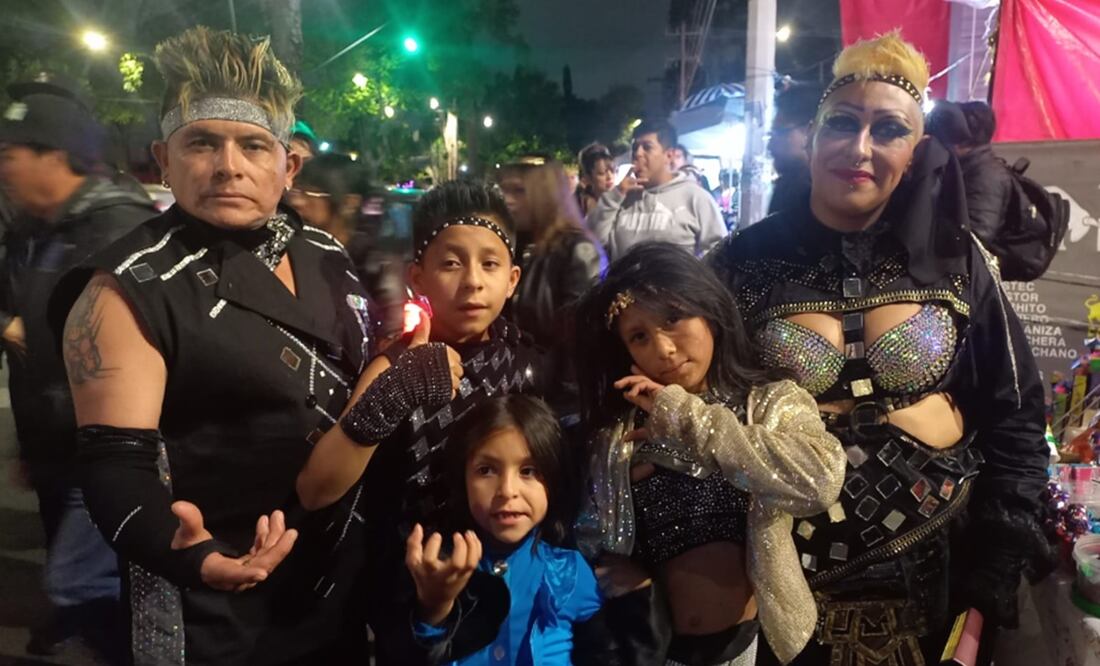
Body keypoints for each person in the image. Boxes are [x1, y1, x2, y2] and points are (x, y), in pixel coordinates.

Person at [708, 33, 1051, 665]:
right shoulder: (740, 263)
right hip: (786, 580)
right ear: (811, 137)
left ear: (915, 154)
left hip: (939, 572)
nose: (859, 148)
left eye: (888, 130)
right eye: (842, 123)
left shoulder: (957, 257)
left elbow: (1017, 413)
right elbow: (690, 403)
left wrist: (992, 577)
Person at [48, 27, 377, 664]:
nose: (229, 165)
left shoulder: (327, 254)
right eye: (202, 143)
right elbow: (115, 468)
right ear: (162, 160)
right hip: (217, 615)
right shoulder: (127, 287)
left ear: (290, 166)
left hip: (339, 594)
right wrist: (193, 555)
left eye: (254, 145)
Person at [296, 179, 545, 664]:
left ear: (513, 279)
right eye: (451, 263)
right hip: (413, 590)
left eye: (489, 264)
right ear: (418, 277)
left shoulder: (528, 364)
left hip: (514, 588)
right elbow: (316, 489)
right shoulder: (396, 364)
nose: (473, 280)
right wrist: (400, 389)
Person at [573, 243, 846, 665]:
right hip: (649, 648)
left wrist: (687, 419)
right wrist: (624, 577)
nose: (663, 349)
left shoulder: (770, 404)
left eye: (673, 318)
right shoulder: (618, 435)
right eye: (639, 336)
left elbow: (819, 482)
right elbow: (589, 537)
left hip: (751, 649)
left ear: (711, 312)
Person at [0, 77, 156, 661]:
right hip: (63, 450)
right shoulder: (39, 231)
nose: (5, 169)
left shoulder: (113, 229)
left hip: (105, 451)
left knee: (79, 581)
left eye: (13, 155)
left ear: (54, 156)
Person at [400, 395, 603, 664]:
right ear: (463, 480)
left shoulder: (569, 573)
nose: (507, 491)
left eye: (529, 471)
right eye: (486, 470)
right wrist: (434, 607)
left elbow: (603, 652)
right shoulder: (439, 569)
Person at [497, 155, 606, 420]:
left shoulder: (577, 252)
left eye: (518, 191)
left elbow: (580, 347)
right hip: (522, 396)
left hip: (559, 410)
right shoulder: (520, 248)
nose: (508, 200)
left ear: (544, 193)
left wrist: (556, 411)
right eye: (505, 190)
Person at [288, 153, 404, 338]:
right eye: (298, 191)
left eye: (312, 194)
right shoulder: (294, 252)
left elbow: (395, 336)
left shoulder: (376, 265)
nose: (298, 202)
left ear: (350, 202)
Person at [588, 120, 726, 261]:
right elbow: (594, 244)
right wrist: (615, 196)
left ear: (669, 155)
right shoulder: (622, 198)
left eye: (647, 147)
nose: (638, 154)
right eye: (635, 147)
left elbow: (718, 253)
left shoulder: (695, 197)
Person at [767, 83, 820, 216]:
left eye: (780, 132)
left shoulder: (811, 195)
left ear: (810, 131)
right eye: (770, 135)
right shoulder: (789, 185)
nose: (770, 145)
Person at [576, 143, 616, 218]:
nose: (609, 177)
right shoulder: (585, 208)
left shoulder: (621, 197)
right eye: (602, 173)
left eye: (612, 170)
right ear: (588, 178)